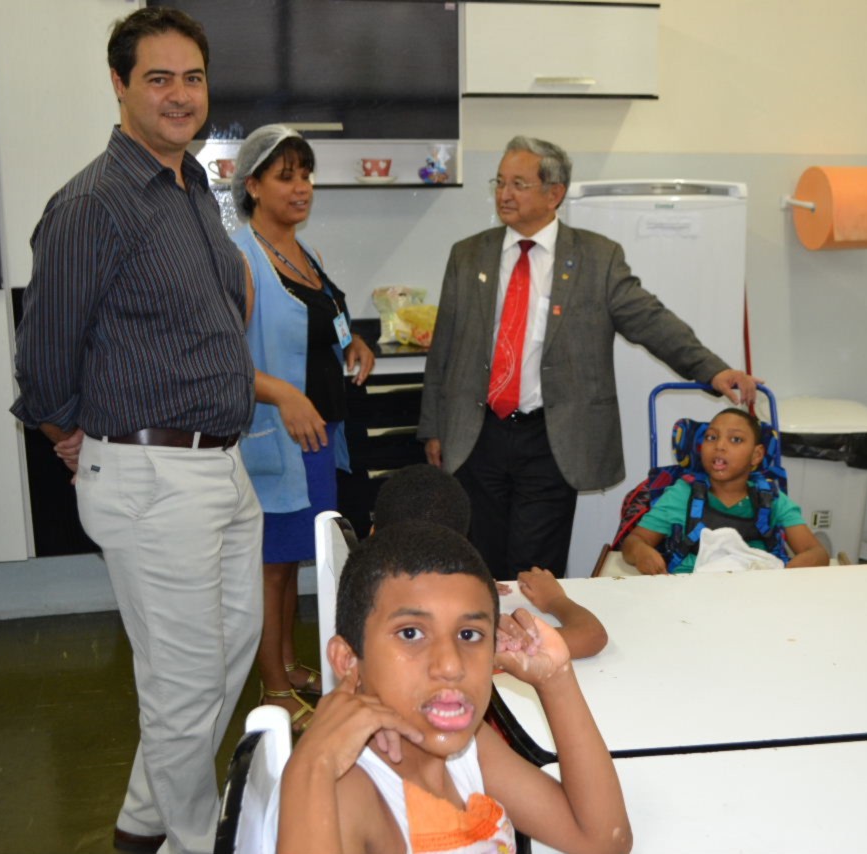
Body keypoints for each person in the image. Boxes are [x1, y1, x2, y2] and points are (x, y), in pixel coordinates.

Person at [10, 9, 261, 854]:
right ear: (120, 85)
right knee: (184, 686)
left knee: (226, 658)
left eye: (192, 78)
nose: (179, 95)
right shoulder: (93, 204)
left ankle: (144, 821)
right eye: (158, 79)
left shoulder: (191, 189)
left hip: (218, 467)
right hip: (152, 475)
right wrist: (68, 432)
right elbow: (43, 357)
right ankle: (193, 842)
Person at [418, 135, 761, 581]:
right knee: (477, 564)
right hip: (476, 433)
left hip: (552, 438)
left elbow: (650, 320)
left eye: (518, 183)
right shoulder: (468, 256)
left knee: (535, 568)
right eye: (500, 182)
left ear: (554, 193)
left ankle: (533, 628)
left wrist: (712, 369)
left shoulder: (597, 258)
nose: (504, 194)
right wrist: (433, 427)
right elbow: (444, 347)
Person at [277, 521, 632, 854]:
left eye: (469, 634)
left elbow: (603, 839)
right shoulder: (349, 789)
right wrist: (311, 765)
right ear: (348, 659)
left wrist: (556, 679)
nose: (450, 665)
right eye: (411, 633)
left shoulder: (468, 748)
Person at [230, 125, 376, 733]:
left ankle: (289, 665)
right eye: (285, 176)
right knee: (271, 566)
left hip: (317, 437)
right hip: (276, 439)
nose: (301, 188)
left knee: (292, 559)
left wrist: (354, 341)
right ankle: (273, 688)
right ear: (253, 186)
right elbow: (224, 359)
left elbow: (325, 322)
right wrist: (286, 394)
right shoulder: (242, 258)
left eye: (306, 175)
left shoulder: (301, 253)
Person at [373, 464, 608, 657]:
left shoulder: (364, 624)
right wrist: (555, 600)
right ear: (462, 548)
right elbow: (591, 635)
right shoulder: (467, 638)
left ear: (373, 533)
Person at [622, 408, 830, 574]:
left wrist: (789, 573)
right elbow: (633, 542)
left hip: (758, 592)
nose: (720, 446)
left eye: (735, 439)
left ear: (757, 455)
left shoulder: (772, 498)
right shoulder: (682, 494)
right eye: (711, 437)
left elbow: (817, 552)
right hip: (691, 593)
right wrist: (641, 553)